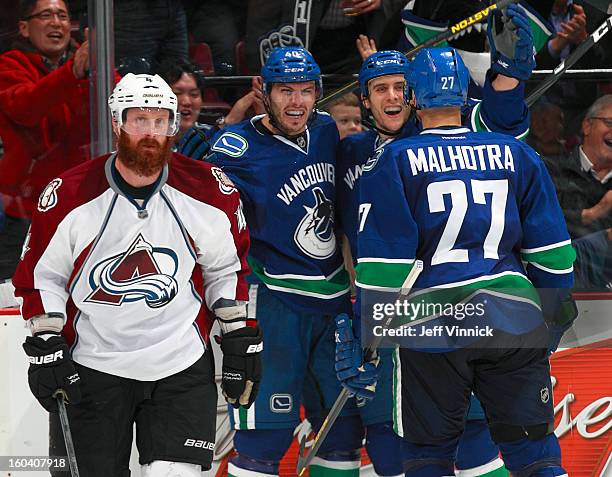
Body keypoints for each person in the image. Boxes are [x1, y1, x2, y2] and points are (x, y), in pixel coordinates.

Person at [12, 73, 262, 477]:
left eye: (161, 120)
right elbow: (44, 277)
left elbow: (225, 269)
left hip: (179, 364)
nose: (151, 132)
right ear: (116, 123)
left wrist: (237, 337)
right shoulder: (70, 195)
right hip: (92, 366)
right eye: (139, 120)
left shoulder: (209, 191)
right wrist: (46, 340)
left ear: (174, 125)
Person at [351, 46, 574, 477]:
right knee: (536, 455)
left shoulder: (393, 160)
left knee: (428, 457)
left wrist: (368, 344)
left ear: (414, 97)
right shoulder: (516, 153)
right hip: (512, 318)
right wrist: (552, 325)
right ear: (465, 94)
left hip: (432, 325)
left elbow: (384, 273)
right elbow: (554, 256)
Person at [206, 47, 362, 477]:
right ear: (265, 92)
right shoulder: (234, 148)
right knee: (263, 441)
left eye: (306, 91)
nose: (297, 102)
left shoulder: (329, 131)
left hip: (333, 305)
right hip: (273, 303)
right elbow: (200, 219)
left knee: (343, 431)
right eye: (286, 91)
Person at [0, 0, 94, 280]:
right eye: (46, 15)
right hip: (24, 209)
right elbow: (25, 108)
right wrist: (72, 74)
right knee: (16, 294)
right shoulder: (9, 65)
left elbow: (111, 108)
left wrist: (97, 65)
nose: (56, 22)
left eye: (63, 16)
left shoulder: (86, 63)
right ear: (24, 28)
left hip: (81, 205)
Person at [542, 94, 612, 288]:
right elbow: (541, 225)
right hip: (566, 288)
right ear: (587, 126)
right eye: (609, 122)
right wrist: (593, 213)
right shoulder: (550, 171)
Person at [157, 60, 265, 160]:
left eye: (194, 94)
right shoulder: (149, 138)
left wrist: (262, 118)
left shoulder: (207, 133)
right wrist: (229, 121)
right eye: (177, 93)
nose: (187, 102)